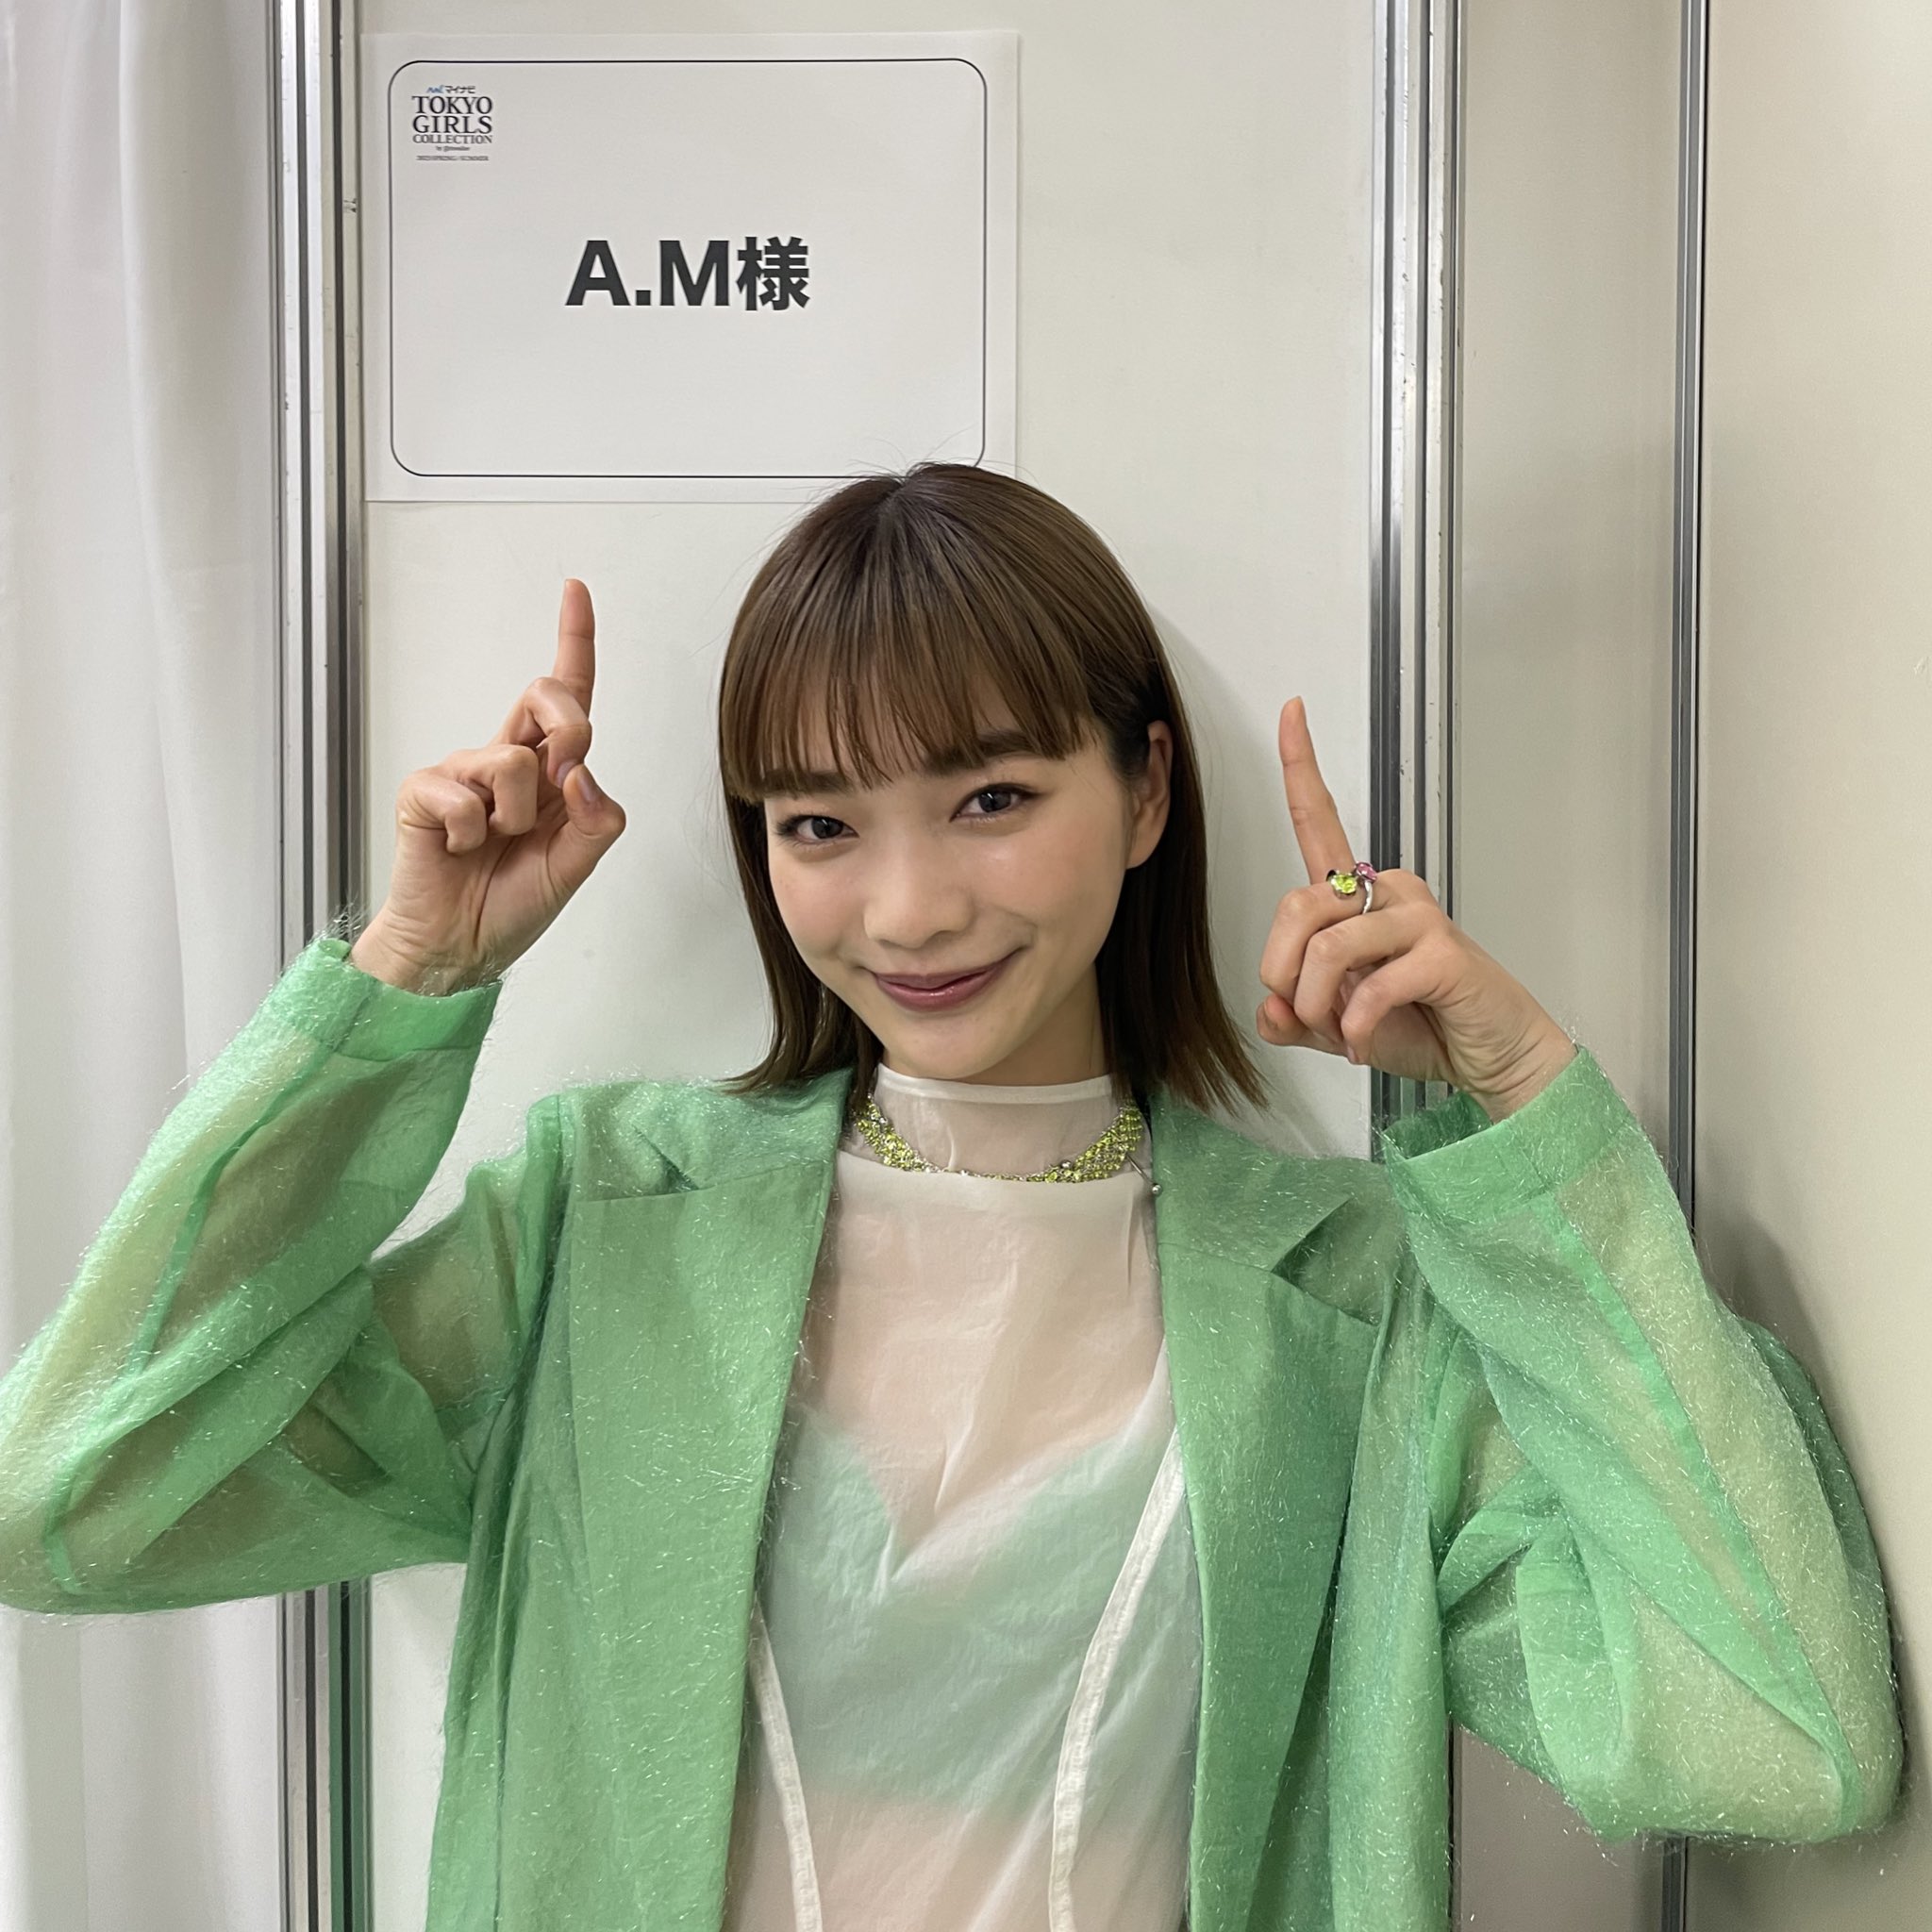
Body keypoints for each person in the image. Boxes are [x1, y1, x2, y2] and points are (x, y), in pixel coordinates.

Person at [0, 463, 1903, 1932]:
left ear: (1144, 790)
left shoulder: (1352, 1305)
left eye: (992, 797)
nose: (906, 909)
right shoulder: (607, 1228)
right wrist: (402, 987)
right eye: (819, 823)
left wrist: (1521, 1114)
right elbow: (74, 1500)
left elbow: (1776, 1737)